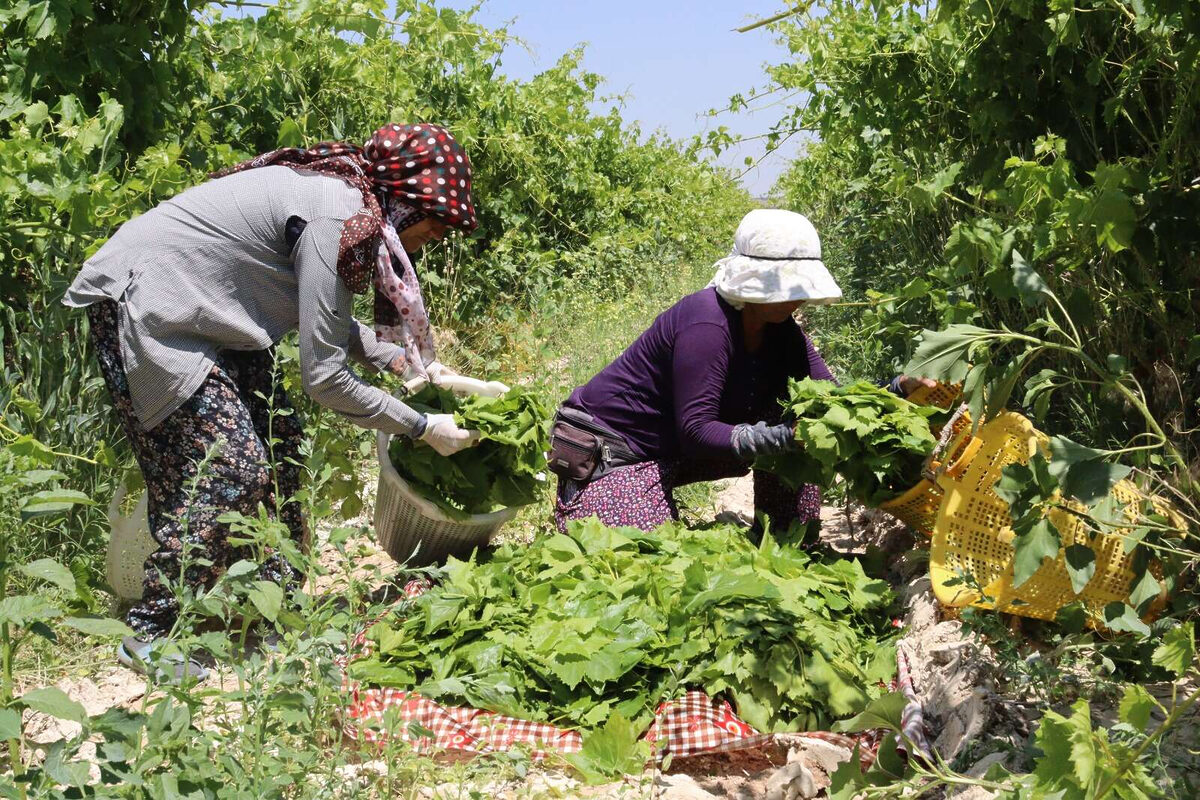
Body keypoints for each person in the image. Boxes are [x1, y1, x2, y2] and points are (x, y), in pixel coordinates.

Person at [64, 123, 502, 680]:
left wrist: (405, 364)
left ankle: (271, 604)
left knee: (281, 445)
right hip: (154, 304)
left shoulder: (354, 206)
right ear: (408, 204)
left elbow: (327, 318)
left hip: (214, 315)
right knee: (228, 469)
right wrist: (420, 427)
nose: (431, 243)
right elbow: (324, 378)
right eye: (434, 229)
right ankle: (154, 631)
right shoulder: (339, 219)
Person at [549, 209, 932, 537]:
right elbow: (697, 429)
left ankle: (787, 533)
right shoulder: (707, 325)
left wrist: (896, 387)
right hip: (616, 451)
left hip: (671, 448)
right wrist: (782, 437)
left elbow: (828, 399)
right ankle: (588, 498)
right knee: (643, 559)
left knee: (802, 418)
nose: (795, 295)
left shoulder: (780, 329)